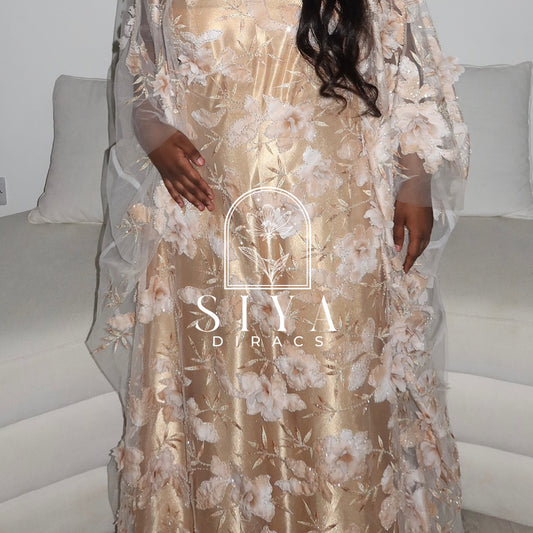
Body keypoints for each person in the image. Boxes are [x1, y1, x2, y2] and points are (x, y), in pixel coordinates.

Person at [86, 0, 470, 530]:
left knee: (337, 405)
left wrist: (415, 181)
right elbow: (143, 73)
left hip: (334, 236)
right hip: (207, 233)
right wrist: (154, 135)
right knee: (219, 406)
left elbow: (409, 74)